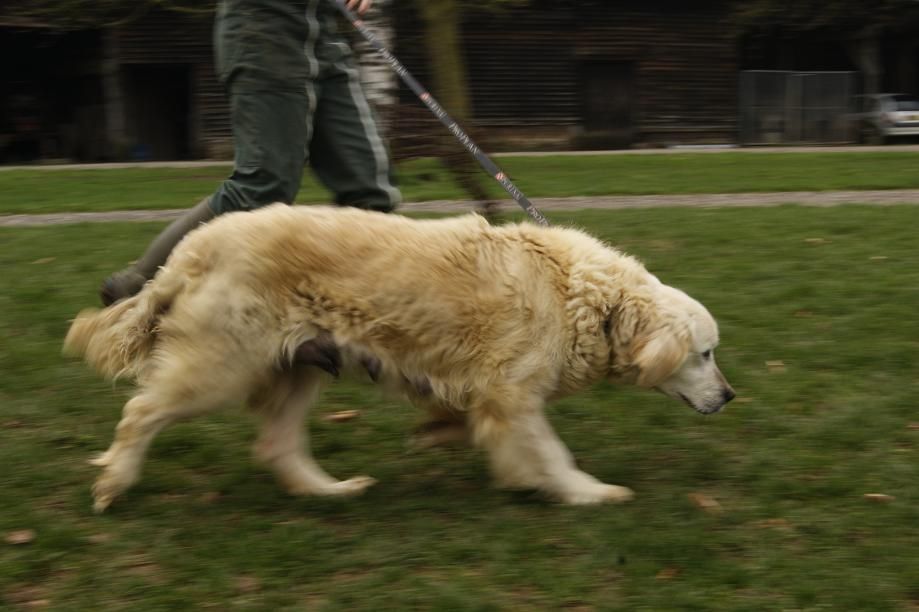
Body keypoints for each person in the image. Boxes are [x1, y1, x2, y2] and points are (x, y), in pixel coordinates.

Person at [101, 0, 400, 305]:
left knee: (370, 191)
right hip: (262, 30)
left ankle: (336, 311)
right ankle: (137, 286)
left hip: (322, 33)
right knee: (262, 188)